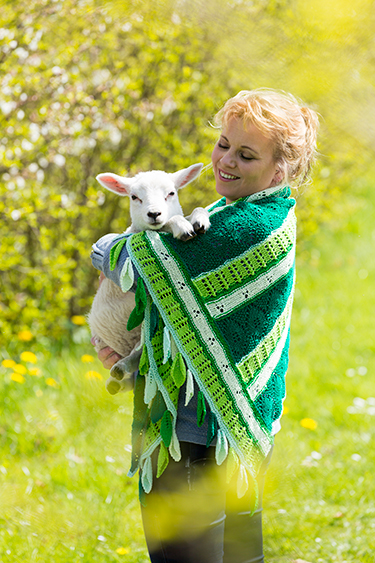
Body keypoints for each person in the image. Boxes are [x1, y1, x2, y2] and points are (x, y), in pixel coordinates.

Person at [91, 88, 319, 563]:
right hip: (236, 431)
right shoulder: (240, 212)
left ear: (281, 169)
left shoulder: (246, 227)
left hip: (195, 436)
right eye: (223, 144)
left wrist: (105, 245)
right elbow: (173, 302)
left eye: (246, 154)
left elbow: (138, 260)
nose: (225, 161)